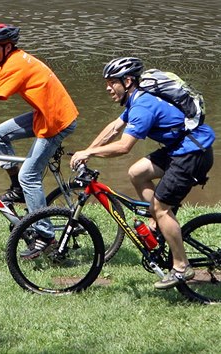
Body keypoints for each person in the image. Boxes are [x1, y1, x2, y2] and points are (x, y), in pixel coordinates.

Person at [70, 57, 215, 289]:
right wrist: (87, 150)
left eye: (112, 82)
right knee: (137, 172)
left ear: (127, 81)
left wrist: (91, 154)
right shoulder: (137, 99)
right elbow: (114, 128)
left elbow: (123, 146)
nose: (108, 88)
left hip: (192, 153)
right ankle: (158, 220)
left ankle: (181, 267)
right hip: (180, 147)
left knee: (161, 207)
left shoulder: (143, 106)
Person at [0, 23, 78, 259]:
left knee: (29, 175)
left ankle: (45, 236)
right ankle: (17, 188)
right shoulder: (8, 62)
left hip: (57, 121)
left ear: (7, 46)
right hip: (44, 113)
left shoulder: (16, 64)